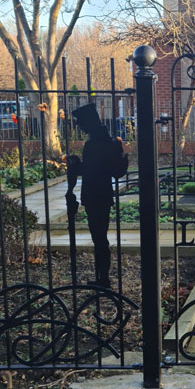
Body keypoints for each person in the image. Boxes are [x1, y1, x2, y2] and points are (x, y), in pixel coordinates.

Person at [66, 103, 128, 288]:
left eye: (81, 123)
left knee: (99, 238)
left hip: (96, 195)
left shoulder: (96, 143)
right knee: (99, 238)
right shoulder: (102, 141)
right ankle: (103, 278)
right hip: (100, 195)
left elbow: (94, 169)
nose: (79, 126)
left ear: (89, 122)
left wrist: (77, 165)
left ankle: (104, 280)